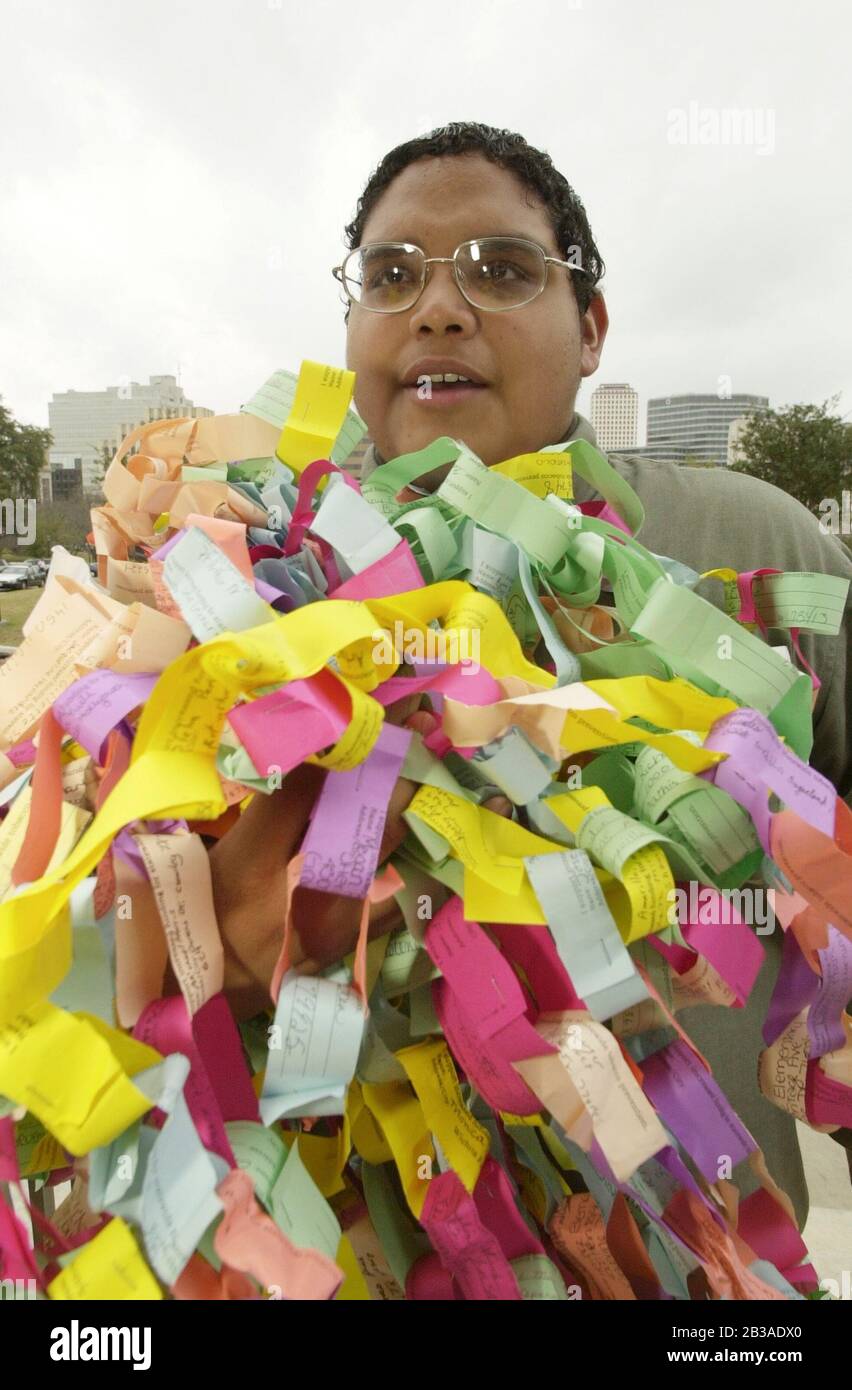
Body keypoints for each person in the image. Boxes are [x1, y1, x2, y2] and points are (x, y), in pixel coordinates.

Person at [211, 122, 852, 1230]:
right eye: (392, 275)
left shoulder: (756, 546)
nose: (439, 309)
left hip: (708, 1257)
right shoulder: (244, 579)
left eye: (503, 270)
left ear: (591, 326)